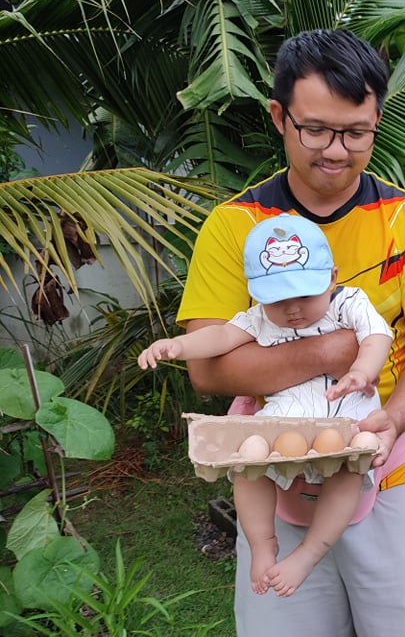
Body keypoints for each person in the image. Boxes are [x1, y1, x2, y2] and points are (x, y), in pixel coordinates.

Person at [175, 28, 405, 637]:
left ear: (377, 120)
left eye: (356, 132)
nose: (336, 150)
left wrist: (392, 420)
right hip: (273, 470)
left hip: (390, 467)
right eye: (315, 130)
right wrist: (335, 350)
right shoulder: (234, 226)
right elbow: (209, 370)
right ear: (279, 117)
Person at [139, 213, 392, 598]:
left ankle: (308, 553)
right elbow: (221, 336)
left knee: (347, 474)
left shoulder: (348, 303)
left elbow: (376, 335)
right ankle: (262, 544)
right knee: (248, 463)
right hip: (283, 420)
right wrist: (178, 346)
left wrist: (361, 370)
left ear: (331, 278)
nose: (292, 309)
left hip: (346, 420)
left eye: (304, 295)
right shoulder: (260, 318)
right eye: (277, 299)